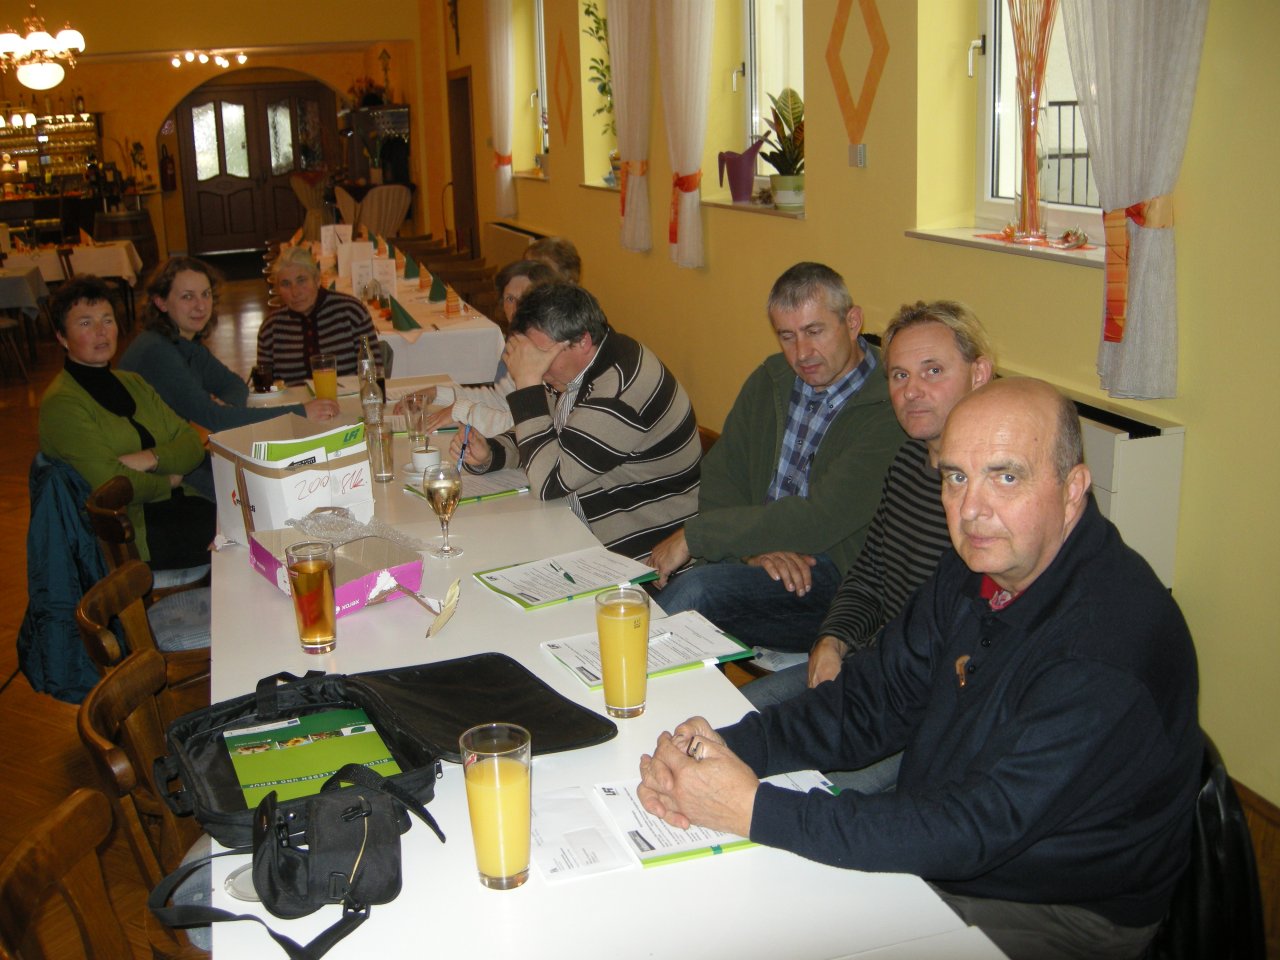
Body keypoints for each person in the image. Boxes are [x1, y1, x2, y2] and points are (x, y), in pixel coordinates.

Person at [638, 378, 1201, 960]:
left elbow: (976, 827)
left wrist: (753, 809)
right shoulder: (979, 569)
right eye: (956, 477)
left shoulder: (1108, 643)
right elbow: (871, 702)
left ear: (1073, 488)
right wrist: (725, 750)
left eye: (1006, 477)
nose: (972, 510)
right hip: (953, 843)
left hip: (1057, 908)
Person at [744, 301, 995, 742]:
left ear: (979, 374)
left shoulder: (993, 501)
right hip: (874, 672)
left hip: (932, 713)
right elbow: (870, 575)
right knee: (734, 716)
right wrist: (832, 640)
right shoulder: (907, 462)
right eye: (899, 375)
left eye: (933, 371)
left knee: (774, 760)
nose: (912, 391)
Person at [648, 262, 902, 651]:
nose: (802, 353)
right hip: (759, 557)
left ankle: (612, 675)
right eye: (787, 336)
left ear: (852, 322)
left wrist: (696, 537)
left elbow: (820, 519)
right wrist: (753, 551)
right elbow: (723, 475)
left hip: (834, 581)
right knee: (651, 595)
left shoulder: (889, 404)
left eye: (814, 331)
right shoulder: (771, 379)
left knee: (698, 592)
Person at [453, 281, 700, 560]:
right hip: (578, 529)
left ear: (582, 341)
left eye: (540, 357)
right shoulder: (581, 366)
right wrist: (492, 453)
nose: (537, 368)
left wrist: (527, 384)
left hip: (640, 556)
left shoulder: (621, 390)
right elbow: (544, 435)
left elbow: (548, 481)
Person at [39, 276, 216, 570]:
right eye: (85, 323)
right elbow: (110, 484)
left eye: (107, 320)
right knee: (241, 536)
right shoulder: (62, 404)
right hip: (131, 533)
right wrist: (168, 479)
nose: (101, 331)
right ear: (61, 336)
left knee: (249, 519)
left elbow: (191, 444)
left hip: (178, 505)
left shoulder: (132, 382)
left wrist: (149, 458)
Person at [119, 256, 340, 431]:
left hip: (172, 448)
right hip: (152, 462)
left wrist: (228, 409)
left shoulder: (186, 344)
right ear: (161, 302)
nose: (200, 306)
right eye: (187, 297)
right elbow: (215, 419)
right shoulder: (157, 351)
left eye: (205, 294)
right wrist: (301, 412)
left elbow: (234, 384)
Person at [400, 259, 558, 435]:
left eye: (525, 300)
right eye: (510, 299)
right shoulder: (520, 341)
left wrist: (461, 411)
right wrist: (437, 393)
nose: (515, 308)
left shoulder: (549, 351)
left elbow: (521, 424)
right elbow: (500, 400)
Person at [255, 245, 376, 385]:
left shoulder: (352, 312)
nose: (295, 292)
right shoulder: (271, 329)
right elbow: (266, 387)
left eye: (301, 280)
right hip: (295, 400)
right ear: (278, 290)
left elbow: (374, 372)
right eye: (286, 284)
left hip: (349, 397)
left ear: (317, 280)